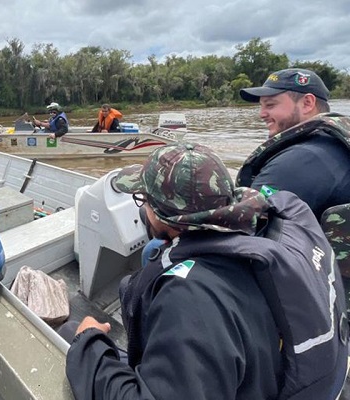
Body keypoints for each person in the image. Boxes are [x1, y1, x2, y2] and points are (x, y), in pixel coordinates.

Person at [66, 143, 286, 399]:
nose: (143, 210)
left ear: (164, 217)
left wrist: (89, 342)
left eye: (144, 200)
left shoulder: (186, 297)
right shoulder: (251, 240)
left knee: (71, 331)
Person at [238, 68, 350, 220]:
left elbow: (241, 226)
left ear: (307, 103)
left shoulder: (300, 160)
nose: (262, 114)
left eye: (270, 105)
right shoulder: (333, 144)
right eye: (261, 106)